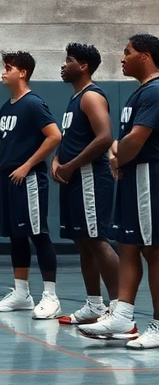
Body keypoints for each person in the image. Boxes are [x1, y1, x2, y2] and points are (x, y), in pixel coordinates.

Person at [80, 33, 159, 349]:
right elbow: (123, 144)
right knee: (128, 244)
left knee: (153, 250)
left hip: (148, 177)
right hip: (131, 177)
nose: (122, 57)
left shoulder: (155, 92)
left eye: (127, 52)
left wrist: (116, 155)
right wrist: (119, 153)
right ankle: (123, 316)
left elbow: (135, 140)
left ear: (146, 56)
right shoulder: (138, 93)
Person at [0, 51, 62, 314]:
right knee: (16, 236)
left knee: (38, 233)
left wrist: (28, 165)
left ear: (23, 72)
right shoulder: (7, 106)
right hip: (8, 178)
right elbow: (1, 141)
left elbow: (54, 136)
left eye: (8, 68)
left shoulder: (33, 103)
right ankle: (21, 293)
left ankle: (50, 296)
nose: (3, 72)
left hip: (28, 178)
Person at [48, 44, 118, 324]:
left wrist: (71, 165)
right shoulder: (75, 99)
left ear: (84, 66)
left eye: (69, 60)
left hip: (90, 177)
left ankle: (119, 309)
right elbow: (71, 138)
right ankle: (94, 305)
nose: (64, 65)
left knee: (97, 240)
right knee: (83, 242)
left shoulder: (91, 97)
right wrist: (56, 159)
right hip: (74, 178)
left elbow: (104, 138)